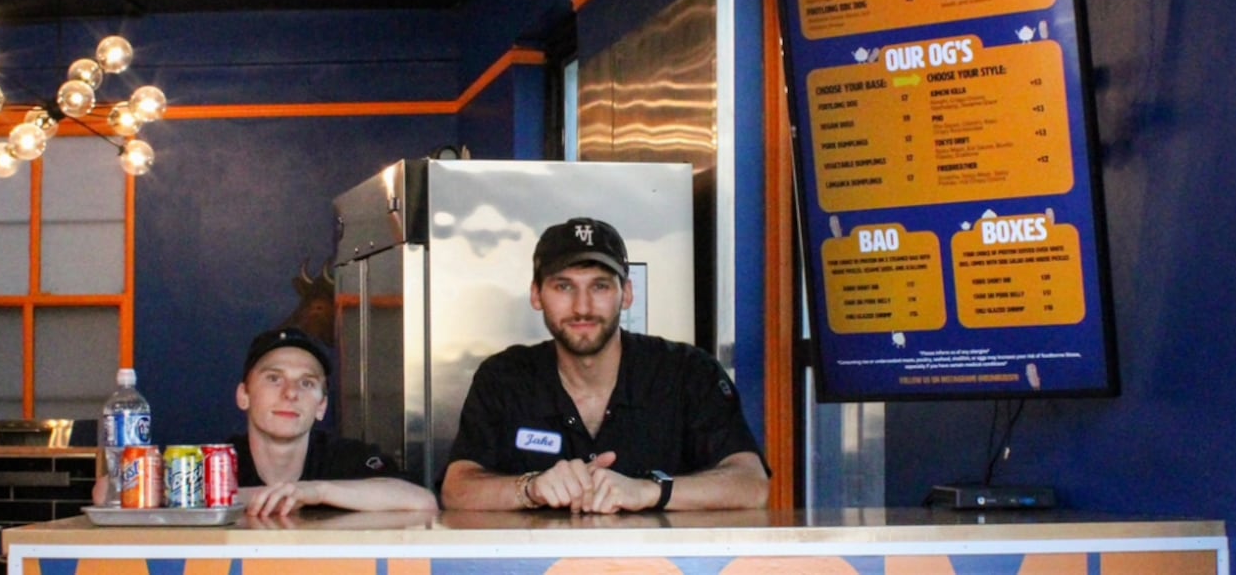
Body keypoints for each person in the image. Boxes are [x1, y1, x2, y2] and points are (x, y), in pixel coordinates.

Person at [439, 217, 770, 513]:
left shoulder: (687, 372)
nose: (582, 307)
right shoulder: (505, 377)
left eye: (599, 286)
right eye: (563, 286)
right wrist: (530, 488)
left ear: (626, 294)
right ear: (537, 295)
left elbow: (751, 483)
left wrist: (650, 491)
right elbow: (455, 489)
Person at [93, 327, 438, 515]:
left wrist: (315, 491)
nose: (290, 393)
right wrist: (268, 496)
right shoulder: (213, 462)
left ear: (321, 405)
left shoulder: (342, 457)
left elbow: (422, 500)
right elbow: (106, 491)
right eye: (274, 379)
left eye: (307, 383)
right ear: (243, 395)